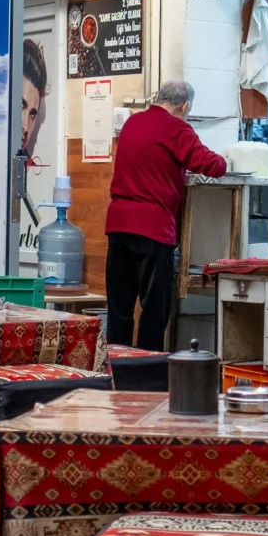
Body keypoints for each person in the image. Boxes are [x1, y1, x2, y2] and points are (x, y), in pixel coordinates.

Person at [103, 79, 227, 350]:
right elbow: (209, 164)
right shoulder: (177, 128)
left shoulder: (131, 124)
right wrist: (227, 160)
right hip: (153, 229)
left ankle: (117, 374)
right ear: (184, 106)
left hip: (118, 226)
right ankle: (147, 376)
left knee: (119, 308)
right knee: (154, 310)